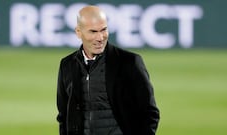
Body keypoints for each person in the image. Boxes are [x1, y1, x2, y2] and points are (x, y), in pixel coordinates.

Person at [56, 5, 160, 135]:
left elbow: (150, 113)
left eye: (103, 30)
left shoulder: (129, 62)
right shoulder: (67, 65)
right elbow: (63, 116)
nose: (100, 37)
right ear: (78, 32)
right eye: (93, 31)